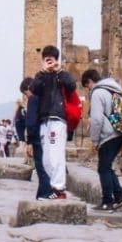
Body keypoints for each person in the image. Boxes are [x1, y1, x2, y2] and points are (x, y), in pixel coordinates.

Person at [29, 45, 76, 199]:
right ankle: (51, 188)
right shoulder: (41, 76)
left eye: (52, 59)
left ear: (56, 59)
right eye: (46, 59)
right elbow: (33, 89)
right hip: (44, 121)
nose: (49, 61)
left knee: (56, 155)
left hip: (58, 119)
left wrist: (59, 70)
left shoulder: (61, 75)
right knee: (46, 158)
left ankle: (59, 189)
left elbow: (72, 86)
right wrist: (43, 72)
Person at [81, 68, 122, 211]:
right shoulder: (114, 89)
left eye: (87, 86)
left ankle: (107, 202)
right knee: (107, 167)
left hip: (109, 135)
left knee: (103, 168)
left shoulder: (97, 92)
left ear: (90, 81)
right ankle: (120, 196)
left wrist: (95, 141)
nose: (88, 89)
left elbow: (96, 120)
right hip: (120, 132)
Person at [21, 77, 53, 199]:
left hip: (38, 137)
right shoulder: (46, 96)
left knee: (41, 166)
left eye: (25, 93)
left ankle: (46, 193)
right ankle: (42, 193)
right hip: (49, 134)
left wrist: (29, 141)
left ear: (29, 88)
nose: (26, 96)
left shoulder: (33, 98)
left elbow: (30, 123)